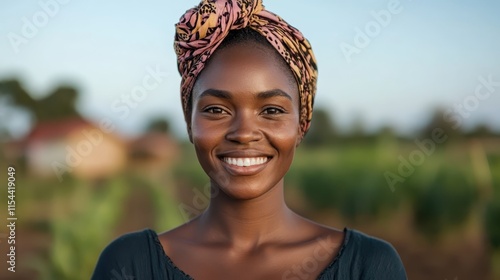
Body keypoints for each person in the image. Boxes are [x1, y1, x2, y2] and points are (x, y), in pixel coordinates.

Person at [92, 0, 407, 279]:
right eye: (216, 109)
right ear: (189, 123)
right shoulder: (130, 265)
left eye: (271, 110)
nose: (243, 133)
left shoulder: (368, 267)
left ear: (302, 125)